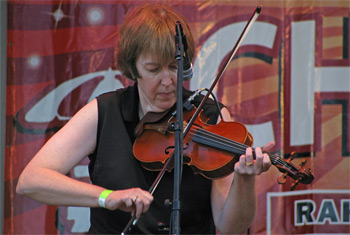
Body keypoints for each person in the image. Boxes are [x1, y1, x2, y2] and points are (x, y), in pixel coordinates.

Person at [16, 3, 273, 234]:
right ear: (133, 67)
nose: (167, 81)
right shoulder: (105, 112)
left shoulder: (209, 115)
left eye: (175, 67)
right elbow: (31, 181)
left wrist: (244, 178)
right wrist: (108, 197)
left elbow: (231, 228)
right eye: (153, 69)